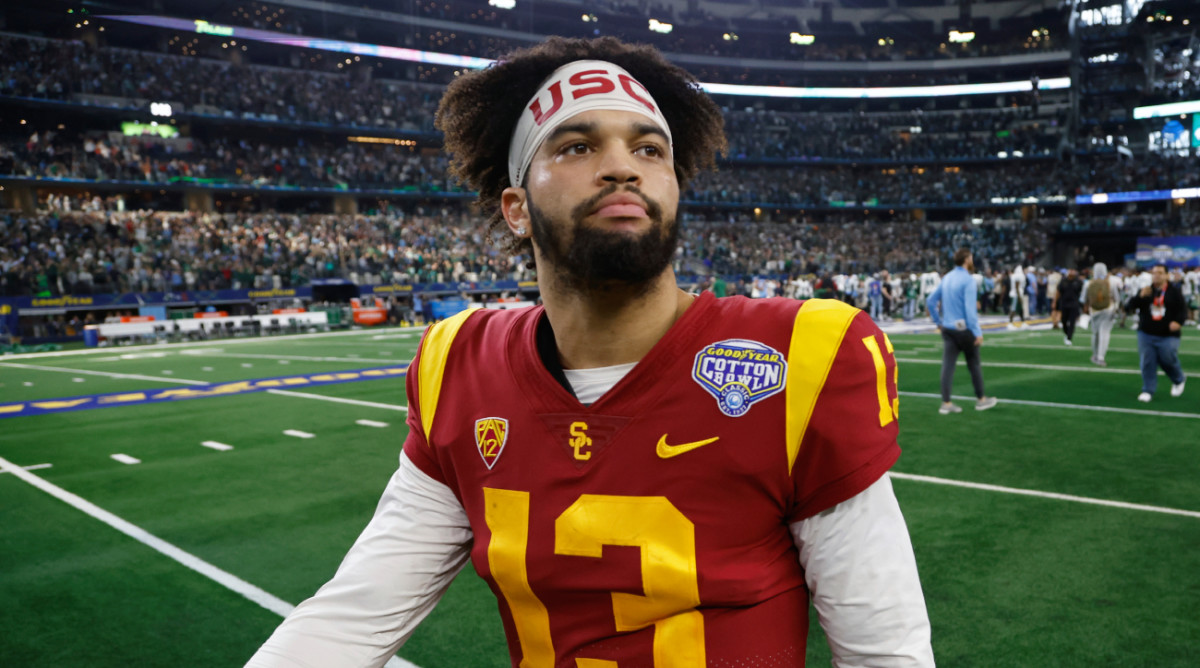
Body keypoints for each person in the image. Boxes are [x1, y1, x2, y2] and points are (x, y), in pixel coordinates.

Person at [246, 37, 934, 667]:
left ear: (673, 185)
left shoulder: (805, 355)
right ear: (516, 208)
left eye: (648, 149)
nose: (620, 169)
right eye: (576, 146)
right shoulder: (458, 364)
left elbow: (885, 652)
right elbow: (355, 614)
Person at [927, 248, 999, 415]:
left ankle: (946, 402)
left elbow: (931, 301)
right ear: (967, 260)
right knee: (973, 364)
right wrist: (977, 332)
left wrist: (938, 322)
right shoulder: (968, 280)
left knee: (948, 366)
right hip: (964, 329)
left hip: (948, 329)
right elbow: (970, 310)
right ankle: (981, 399)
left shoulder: (947, 278)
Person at [1126, 263, 1187, 402]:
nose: (1156, 275)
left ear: (1166, 275)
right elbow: (1128, 307)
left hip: (1168, 334)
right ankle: (1148, 389)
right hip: (1146, 332)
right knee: (1147, 361)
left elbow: (1183, 310)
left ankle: (1178, 379)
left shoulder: (1174, 291)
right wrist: (1139, 297)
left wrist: (1178, 322)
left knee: (1167, 358)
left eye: (1160, 272)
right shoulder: (1146, 291)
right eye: (1154, 273)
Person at [1084, 262, 1118, 366]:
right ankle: (1101, 357)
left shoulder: (1088, 283)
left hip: (1094, 311)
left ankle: (1095, 355)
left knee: (1095, 333)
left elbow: (1083, 299)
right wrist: (1116, 309)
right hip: (1109, 310)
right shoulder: (1111, 282)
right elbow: (1117, 298)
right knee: (1105, 333)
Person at [1056, 268, 1083, 346]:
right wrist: (1055, 302)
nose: (1071, 272)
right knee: (1063, 320)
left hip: (1074, 304)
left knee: (1072, 322)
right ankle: (1067, 333)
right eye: (1070, 270)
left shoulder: (1078, 282)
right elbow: (1058, 291)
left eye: (1073, 271)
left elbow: (1082, 293)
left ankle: (1069, 337)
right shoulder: (1063, 281)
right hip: (1064, 303)